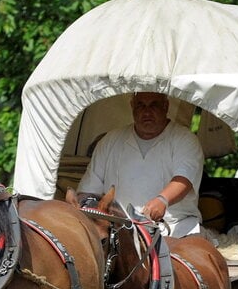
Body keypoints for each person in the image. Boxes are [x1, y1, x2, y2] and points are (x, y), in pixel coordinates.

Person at [77, 92, 204, 237]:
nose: (147, 112)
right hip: (119, 230)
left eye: (154, 105)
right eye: (140, 105)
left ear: (166, 106)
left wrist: (163, 200)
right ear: (132, 107)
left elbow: (184, 180)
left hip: (175, 228)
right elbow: (89, 190)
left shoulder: (184, 139)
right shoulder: (110, 140)